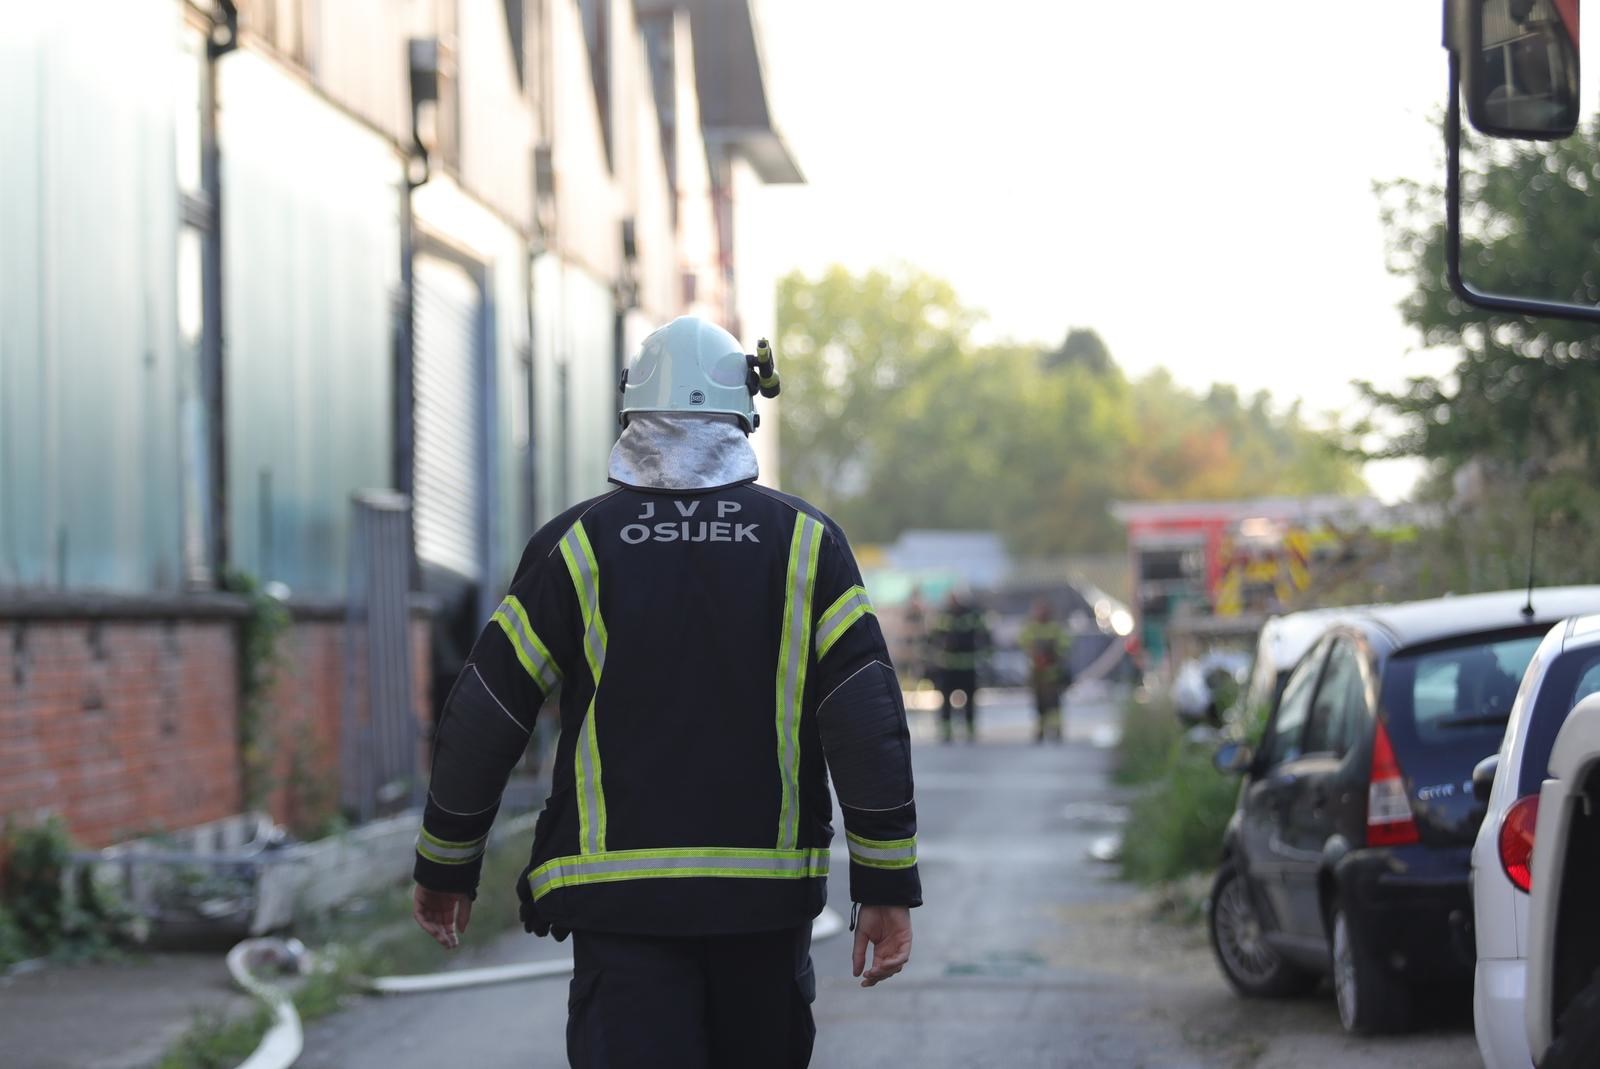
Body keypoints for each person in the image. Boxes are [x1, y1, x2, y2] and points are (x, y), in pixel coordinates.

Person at [410, 317, 921, 1069]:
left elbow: (487, 709)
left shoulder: (576, 544)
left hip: (619, 908)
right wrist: (884, 883)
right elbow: (865, 720)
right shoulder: (806, 543)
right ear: (747, 411)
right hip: (763, 906)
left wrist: (445, 864)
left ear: (631, 412)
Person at [929, 588, 989, 743]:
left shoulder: (972, 614)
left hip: (967, 665)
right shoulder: (943, 615)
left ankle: (970, 731)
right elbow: (934, 637)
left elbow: (984, 635)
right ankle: (946, 732)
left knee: (969, 700)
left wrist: (985, 654)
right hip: (948, 665)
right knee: (946, 700)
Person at [1019, 599, 1072, 743]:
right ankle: (1041, 730)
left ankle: (1056, 729)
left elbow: (1065, 644)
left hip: (1052, 673)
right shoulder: (1031, 628)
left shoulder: (1055, 628)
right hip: (1037, 673)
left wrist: (1053, 654)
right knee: (1039, 703)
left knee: (1053, 703)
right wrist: (1034, 653)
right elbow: (1023, 642)